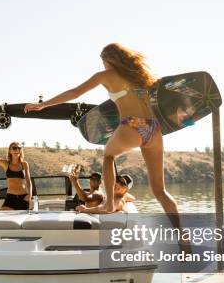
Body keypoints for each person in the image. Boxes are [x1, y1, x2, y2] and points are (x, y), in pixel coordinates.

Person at [25, 43, 190, 250]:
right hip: (153, 129)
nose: (102, 64)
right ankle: (184, 240)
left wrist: (43, 104)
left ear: (109, 59)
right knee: (160, 191)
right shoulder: (141, 77)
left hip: (132, 124)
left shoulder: (105, 75)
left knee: (108, 156)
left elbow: (75, 92)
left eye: (103, 60)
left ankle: (110, 204)